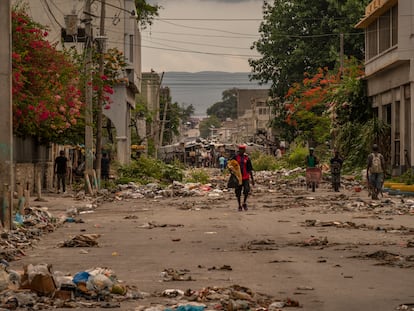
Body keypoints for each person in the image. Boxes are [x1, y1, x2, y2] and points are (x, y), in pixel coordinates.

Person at [230, 145, 254, 211]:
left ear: (244, 150)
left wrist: (252, 179)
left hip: (245, 177)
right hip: (238, 177)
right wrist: (232, 172)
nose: (241, 151)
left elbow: (250, 169)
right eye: (240, 150)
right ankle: (239, 205)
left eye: (242, 150)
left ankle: (244, 202)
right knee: (238, 192)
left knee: (246, 190)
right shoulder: (235, 157)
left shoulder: (247, 158)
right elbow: (230, 165)